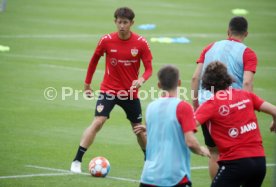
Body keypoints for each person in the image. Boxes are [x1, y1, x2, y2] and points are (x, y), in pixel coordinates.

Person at [70, 7, 153, 173]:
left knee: (138, 129)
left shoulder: (141, 43)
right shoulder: (106, 40)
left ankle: (150, 161)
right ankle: (77, 160)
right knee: (98, 121)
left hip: (130, 93)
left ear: (132, 23)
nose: (122, 25)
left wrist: (141, 79)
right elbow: (93, 61)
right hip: (109, 90)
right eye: (119, 22)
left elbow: (149, 68)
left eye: (125, 22)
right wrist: (87, 84)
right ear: (115, 21)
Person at [191, 16, 258, 179]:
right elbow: (247, 83)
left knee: (214, 153)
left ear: (228, 31)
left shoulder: (210, 47)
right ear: (246, 34)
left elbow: (195, 78)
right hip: (232, 108)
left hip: (206, 106)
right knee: (237, 152)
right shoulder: (248, 53)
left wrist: (196, 104)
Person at [195, 61, 276, 187]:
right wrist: (274, 122)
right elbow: (275, 110)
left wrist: (198, 148)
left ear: (207, 83)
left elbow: (189, 125)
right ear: (228, 78)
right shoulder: (247, 95)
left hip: (234, 164)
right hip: (259, 162)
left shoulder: (210, 105)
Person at [134, 65, 210, 187]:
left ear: (159, 85)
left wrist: (149, 129)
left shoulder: (150, 107)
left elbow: (159, 132)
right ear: (179, 83)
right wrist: (202, 150)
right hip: (174, 178)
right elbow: (190, 142)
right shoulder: (183, 107)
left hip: (148, 177)